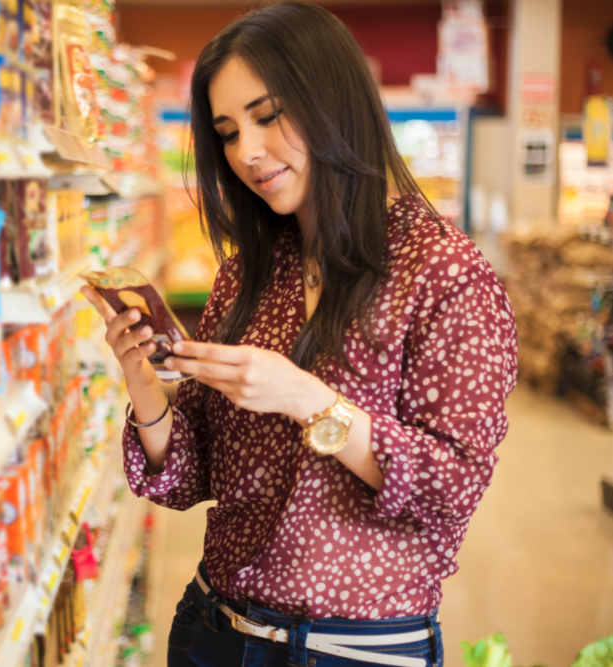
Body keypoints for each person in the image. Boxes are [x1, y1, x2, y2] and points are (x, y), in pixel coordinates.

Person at [81, 3, 518, 666]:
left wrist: (309, 400)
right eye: (226, 131)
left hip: (355, 648)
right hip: (212, 629)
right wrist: (145, 381)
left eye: (267, 114)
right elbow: (187, 476)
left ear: (331, 99)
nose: (246, 152)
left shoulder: (444, 273)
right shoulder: (250, 272)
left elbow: (449, 486)